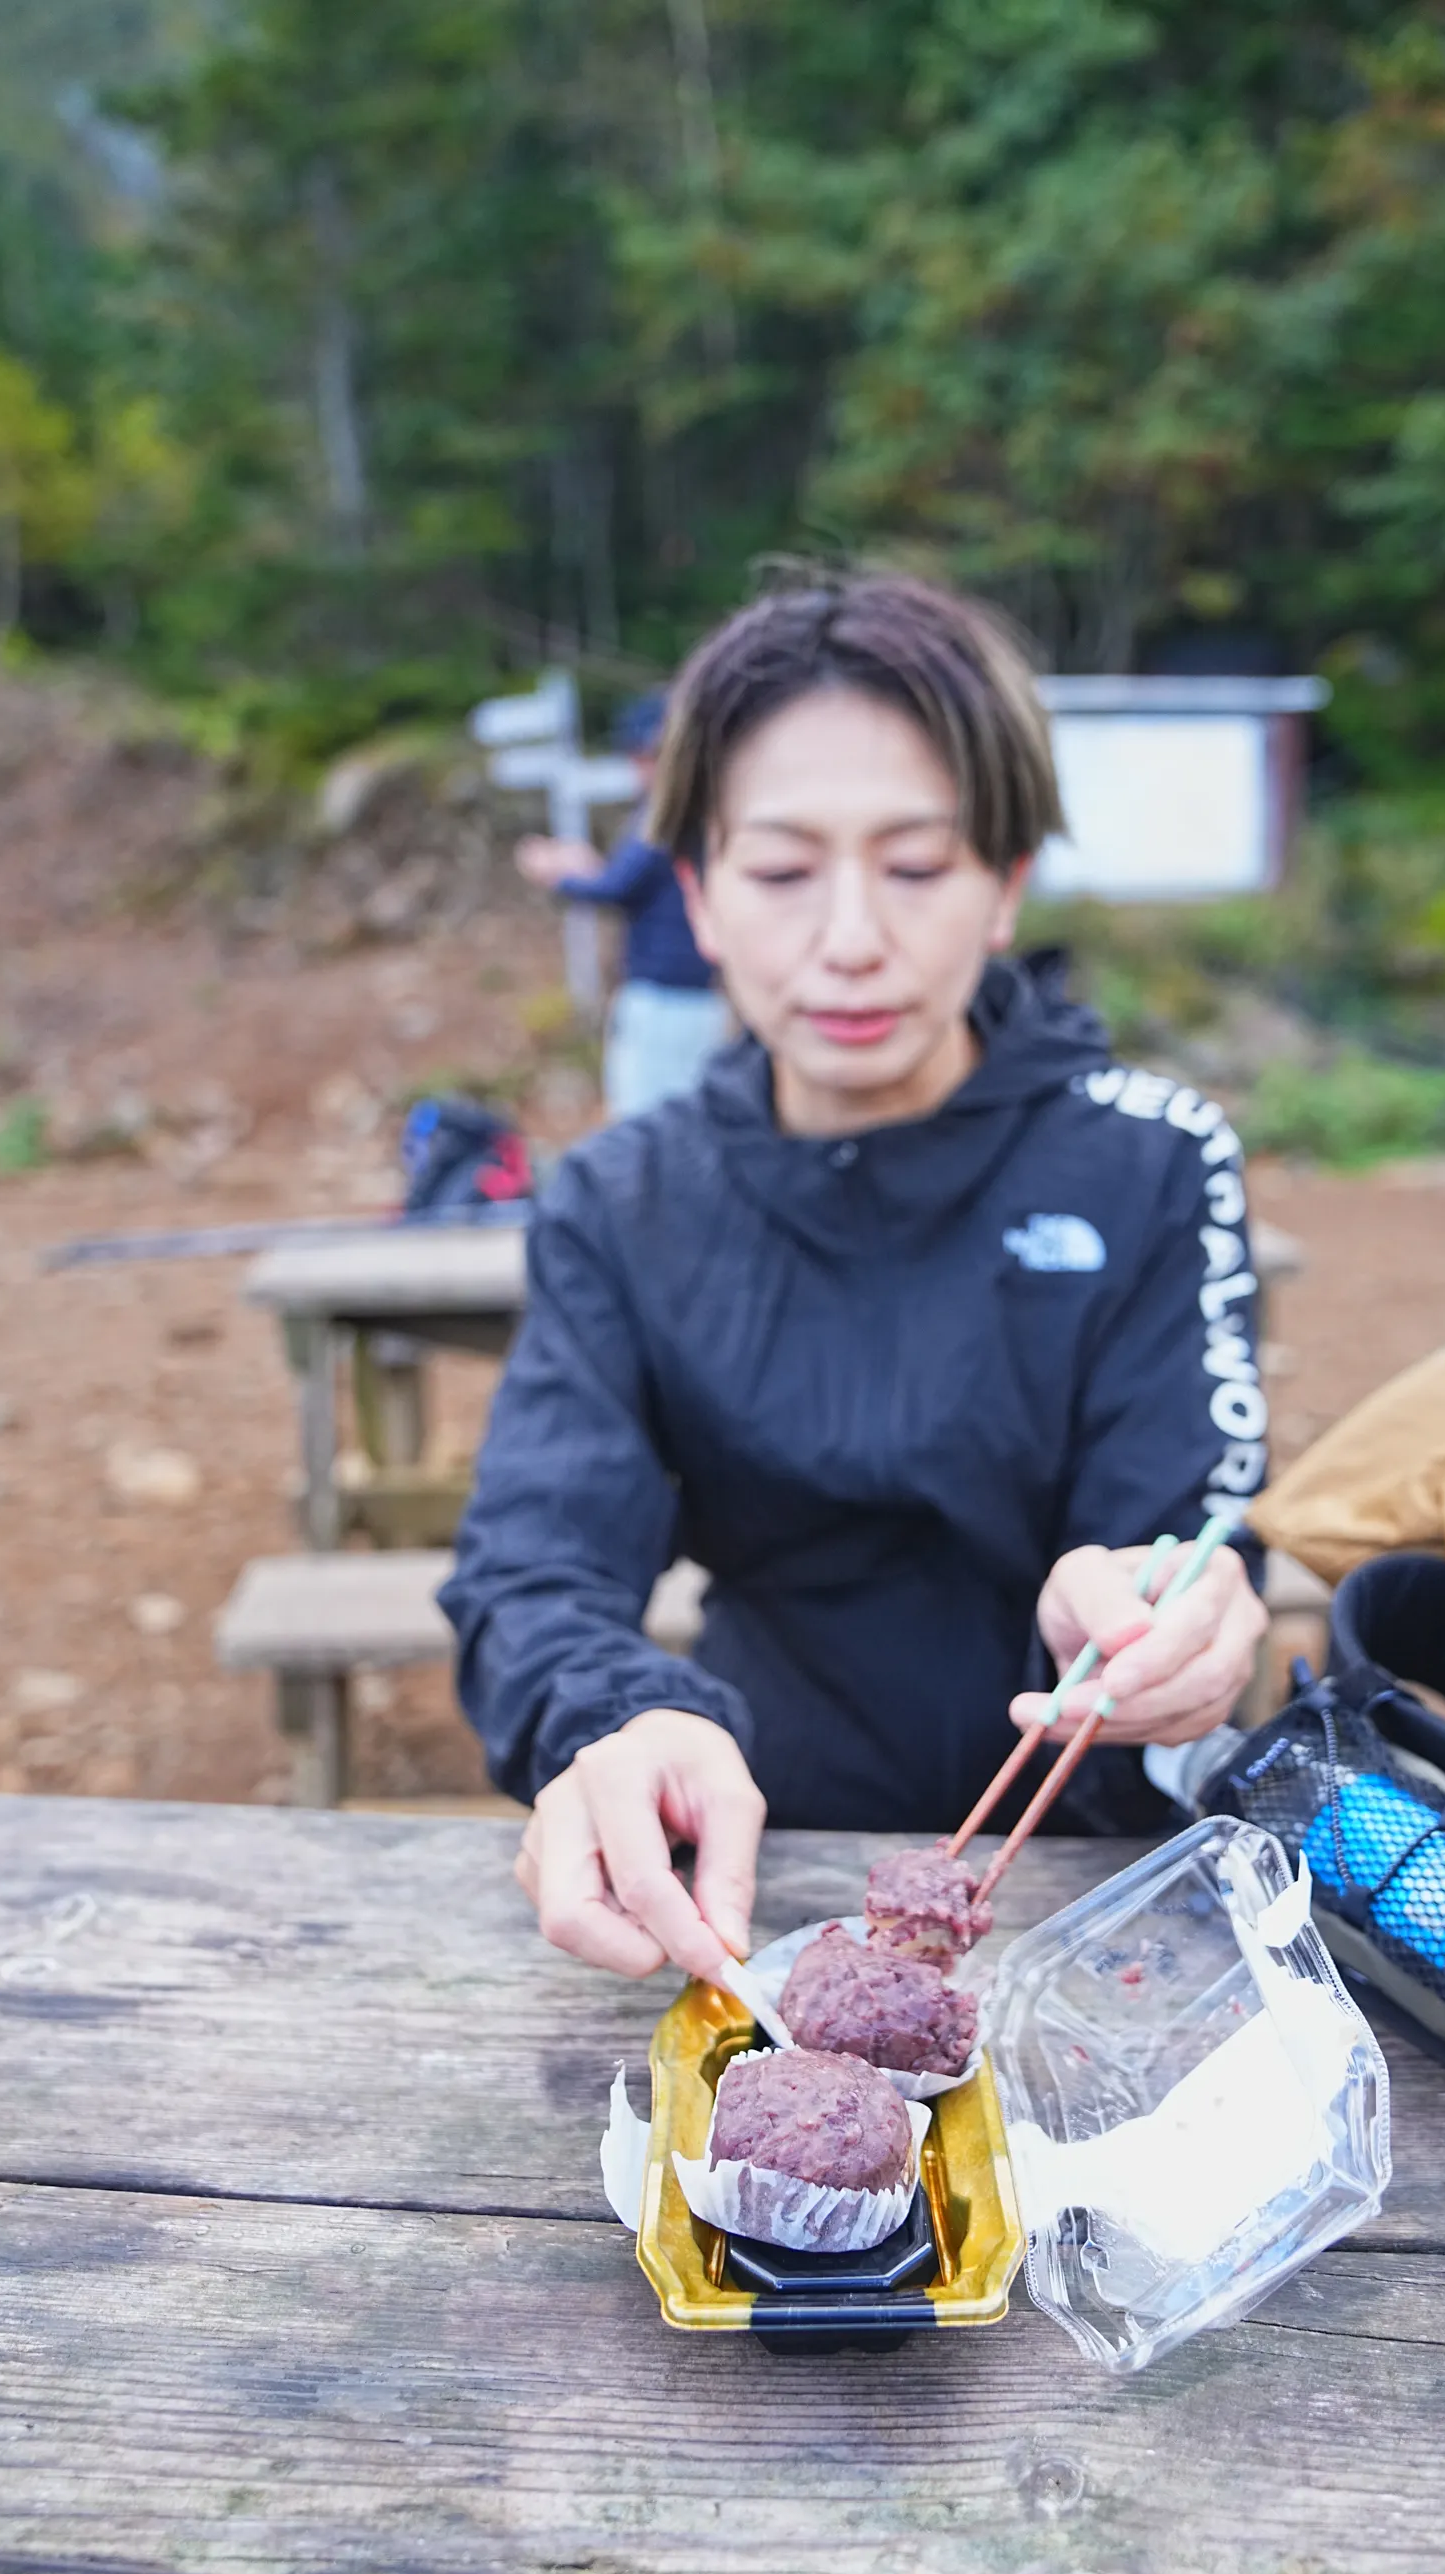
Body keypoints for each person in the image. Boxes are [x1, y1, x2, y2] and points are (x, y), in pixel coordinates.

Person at [443, 574, 1269, 1982]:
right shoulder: (623, 1201)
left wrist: (1167, 1610)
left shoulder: (1150, 1161)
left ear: (1005, 883)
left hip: (1101, 1879)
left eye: (917, 863)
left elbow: (1194, 1530)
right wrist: (623, 1722)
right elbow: (534, 1567)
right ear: (696, 896)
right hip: (754, 1865)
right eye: (777, 872)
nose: (847, 938)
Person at [513, 692, 732, 1116]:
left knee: (645, 1116)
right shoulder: (699, 810)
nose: (641, 766)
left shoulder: (666, 815)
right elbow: (632, 881)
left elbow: (615, 888)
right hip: (694, 990)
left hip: (667, 995)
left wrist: (555, 873)